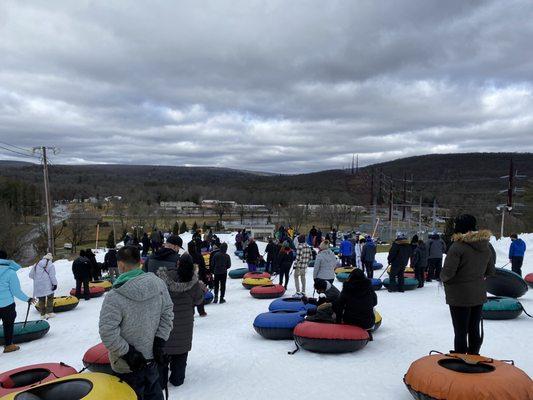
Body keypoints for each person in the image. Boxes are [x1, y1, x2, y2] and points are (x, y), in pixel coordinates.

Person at [99, 246, 173, 400]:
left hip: (127, 366)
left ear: (121, 265)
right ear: (140, 262)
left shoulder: (114, 296)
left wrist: (127, 353)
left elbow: (107, 332)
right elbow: (168, 314)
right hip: (151, 358)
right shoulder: (158, 284)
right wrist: (159, 341)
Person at [441, 214, 496, 355]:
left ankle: (460, 358)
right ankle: (474, 355)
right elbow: (490, 271)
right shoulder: (486, 245)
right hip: (478, 293)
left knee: (460, 330)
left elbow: (448, 273)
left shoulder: (457, 246)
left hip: (459, 295)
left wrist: (444, 279)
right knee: (474, 328)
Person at [156, 254, 204, 388]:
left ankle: (161, 380)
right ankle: (177, 379)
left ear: (177, 264)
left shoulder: (164, 278)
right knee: (181, 351)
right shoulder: (194, 282)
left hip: (165, 322)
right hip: (185, 324)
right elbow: (199, 300)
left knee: (163, 351)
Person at [0, 250, 34, 353]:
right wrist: (27, 299)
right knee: (8, 324)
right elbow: (16, 291)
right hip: (7, 305)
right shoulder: (10, 272)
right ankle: (8, 345)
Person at [29, 253, 57, 320]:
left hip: (38, 285)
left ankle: (43, 314)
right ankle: (49, 312)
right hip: (47, 284)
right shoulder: (50, 264)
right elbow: (52, 276)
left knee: (41, 300)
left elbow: (30, 275)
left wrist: (38, 279)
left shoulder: (36, 264)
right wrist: (55, 284)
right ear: (50, 259)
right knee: (50, 297)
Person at [188, 241, 210, 316]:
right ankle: (201, 311)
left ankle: (191, 312)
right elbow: (203, 268)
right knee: (200, 295)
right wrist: (205, 279)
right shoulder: (199, 256)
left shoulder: (186, 257)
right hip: (199, 278)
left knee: (190, 296)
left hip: (189, 279)